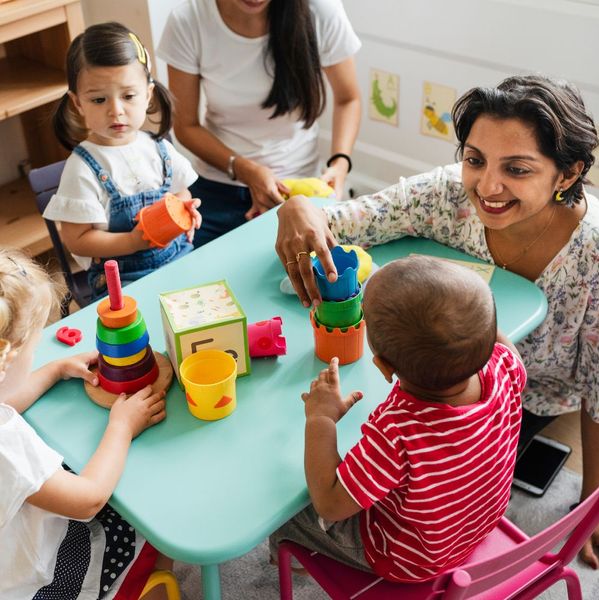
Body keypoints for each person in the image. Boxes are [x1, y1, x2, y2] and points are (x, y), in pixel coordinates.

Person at [275, 74, 599, 568]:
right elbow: (342, 220)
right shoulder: (445, 196)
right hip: (462, 383)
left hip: (527, 399)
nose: (487, 187)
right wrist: (298, 206)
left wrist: (592, 506)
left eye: (516, 168)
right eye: (474, 160)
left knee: (299, 476)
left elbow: (598, 392)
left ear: (567, 174)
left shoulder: (592, 251)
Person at [270, 256, 526, 581]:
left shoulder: (398, 430)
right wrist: (471, 321)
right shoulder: (504, 365)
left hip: (408, 559)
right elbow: (505, 349)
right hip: (476, 525)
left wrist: (321, 419)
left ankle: (296, 563)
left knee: (288, 509)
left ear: (384, 367)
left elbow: (330, 504)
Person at [0, 249, 172, 599]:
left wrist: (54, 369)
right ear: (6, 357)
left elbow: (5, 402)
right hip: (34, 579)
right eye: (34, 352)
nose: (36, 359)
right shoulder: (7, 446)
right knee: (151, 514)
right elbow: (88, 500)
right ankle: (141, 583)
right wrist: (121, 428)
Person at [157, 0, 361, 247]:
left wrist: (340, 164)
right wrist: (245, 169)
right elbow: (186, 126)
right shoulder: (189, 20)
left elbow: (348, 98)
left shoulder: (320, 10)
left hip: (297, 187)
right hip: (219, 186)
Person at [43, 22, 202, 299]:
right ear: (78, 103)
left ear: (148, 95)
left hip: (179, 258)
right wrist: (132, 241)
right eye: (99, 100)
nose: (116, 111)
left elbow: (180, 191)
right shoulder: (83, 168)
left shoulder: (158, 148)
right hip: (122, 280)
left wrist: (184, 210)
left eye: (128, 96)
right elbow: (76, 240)